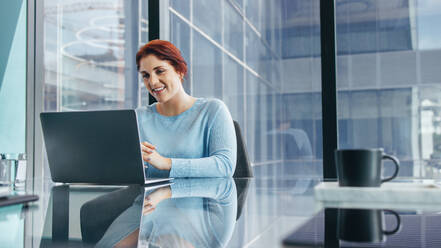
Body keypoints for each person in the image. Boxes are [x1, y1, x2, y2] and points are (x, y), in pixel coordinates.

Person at [135, 40, 237, 178]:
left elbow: (225, 165)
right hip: (151, 199)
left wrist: (166, 163)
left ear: (179, 71)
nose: (152, 82)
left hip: (199, 198)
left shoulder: (212, 110)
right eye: (146, 75)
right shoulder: (138, 117)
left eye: (160, 71)